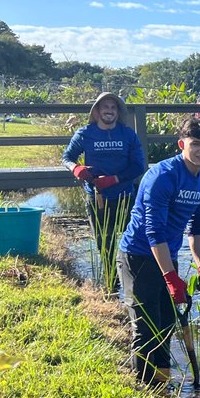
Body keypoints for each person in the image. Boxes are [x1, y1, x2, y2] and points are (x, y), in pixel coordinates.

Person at [116, 115, 200, 386]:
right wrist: (171, 278)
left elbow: (196, 230)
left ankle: (161, 384)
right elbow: (154, 233)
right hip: (138, 256)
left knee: (165, 327)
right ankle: (144, 388)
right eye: (195, 144)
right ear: (181, 143)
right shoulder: (162, 176)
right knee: (147, 327)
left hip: (166, 257)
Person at [62, 93, 147, 288]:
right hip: (97, 198)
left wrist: (114, 179)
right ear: (97, 111)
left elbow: (139, 166)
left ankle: (134, 282)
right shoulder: (85, 133)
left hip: (125, 197)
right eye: (105, 107)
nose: (109, 110)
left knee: (133, 243)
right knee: (105, 245)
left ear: (118, 112)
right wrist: (76, 168)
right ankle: (112, 285)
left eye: (113, 107)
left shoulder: (128, 135)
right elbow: (67, 157)